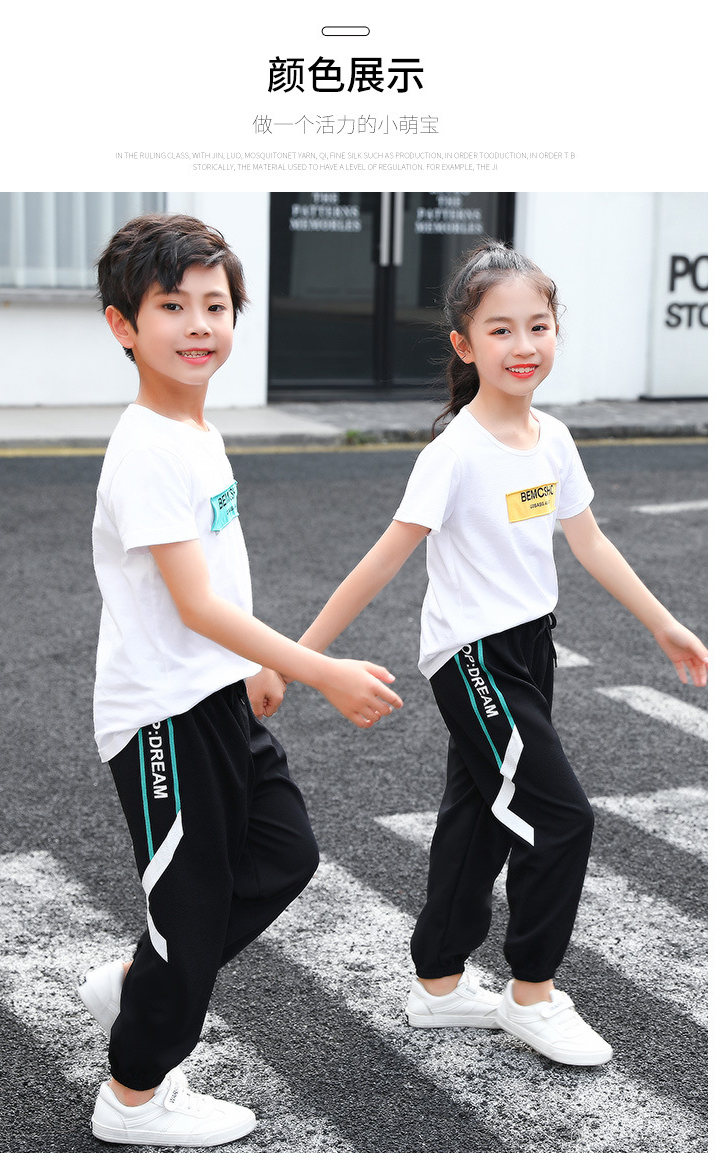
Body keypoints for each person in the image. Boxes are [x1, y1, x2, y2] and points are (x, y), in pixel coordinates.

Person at [296, 239, 708, 1068]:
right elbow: (383, 558)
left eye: (538, 326)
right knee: (560, 818)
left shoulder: (552, 439)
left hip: (530, 648)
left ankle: (439, 984)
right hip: (473, 660)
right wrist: (298, 657)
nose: (524, 345)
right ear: (464, 344)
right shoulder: (453, 452)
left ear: (556, 331)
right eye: (501, 330)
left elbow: (589, 543)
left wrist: (663, 624)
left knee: (479, 816)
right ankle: (532, 993)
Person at [79, 212, 402, 1148]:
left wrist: (258, 660)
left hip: (213, 695)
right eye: (171, 305)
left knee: (284, 853)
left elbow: (220, 567)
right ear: (122, 325)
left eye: (215, 305)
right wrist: (318, 668)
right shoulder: (147, 447)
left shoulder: (195, 430)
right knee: (190, 911)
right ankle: (133, 1096)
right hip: (161, 717)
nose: (198, 325)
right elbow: (193, 604)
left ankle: (141, 982)